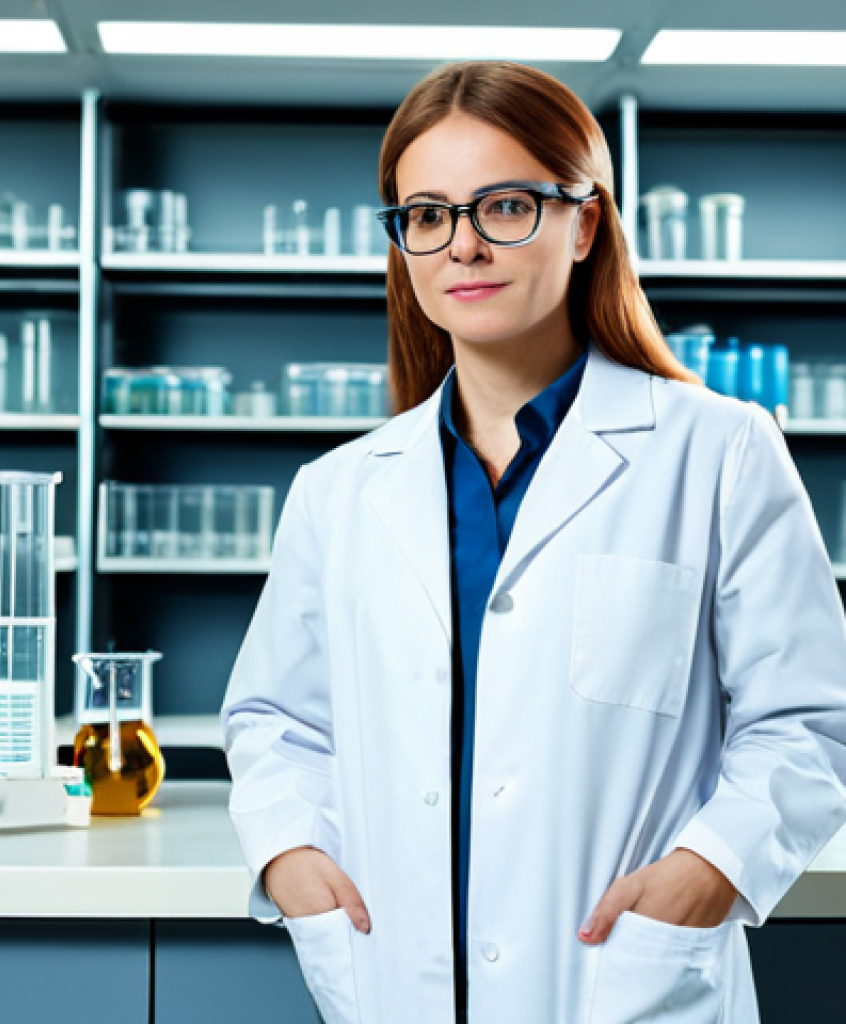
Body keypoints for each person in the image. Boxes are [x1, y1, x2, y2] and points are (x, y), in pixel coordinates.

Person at [220, 60, 846, 1024]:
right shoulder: (339, 491)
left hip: (621, 981)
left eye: (505, 206)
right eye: (427, 215)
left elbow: (809, 720)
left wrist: (706, 872)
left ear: (585, 222)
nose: (462, 246)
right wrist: (292, 857)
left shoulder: (718, 450)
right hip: (396, 981)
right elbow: (276, 722)